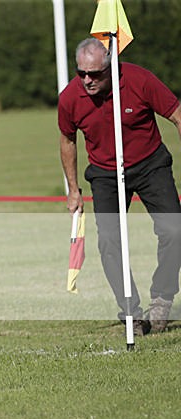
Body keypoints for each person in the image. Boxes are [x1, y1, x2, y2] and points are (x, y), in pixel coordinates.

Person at [59, 37, 181, 333]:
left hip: (150, 164)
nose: (87, 80)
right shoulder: (69, 98)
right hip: (104, 173)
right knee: (110, 242)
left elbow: (177, 115)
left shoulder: (139, 80)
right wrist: (73, 189)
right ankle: (132, 313)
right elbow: (67, 139)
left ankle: (162, 299)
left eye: (95, 74)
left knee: (174, 229)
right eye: (81, 73)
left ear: (111, 68)